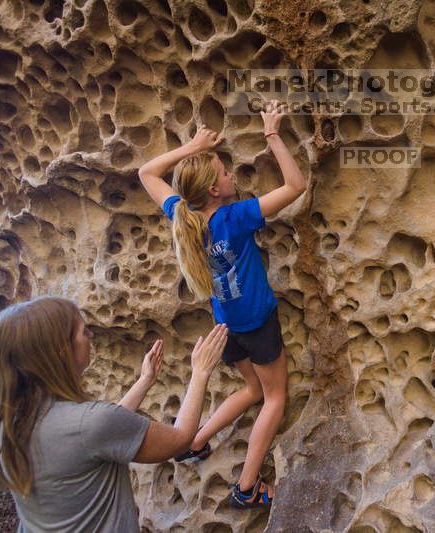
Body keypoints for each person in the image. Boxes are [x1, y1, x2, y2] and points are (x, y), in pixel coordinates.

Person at [137, 99, 306, 509]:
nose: (232, 176)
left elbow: (146, 172)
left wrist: (192, 150)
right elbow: (296, 187)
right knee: (273, 397)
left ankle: (192, 441)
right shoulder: (236, 217)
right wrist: (271, 134)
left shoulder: (184, 216)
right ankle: (247, 487)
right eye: (227, 173)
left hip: (225, 326)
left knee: (251, 388)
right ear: (216, 189)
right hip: (257, 325)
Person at [0, 296, 229, 532]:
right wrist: (201, 371)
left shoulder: (12, 424)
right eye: (83, 332)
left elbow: (98, 435)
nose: (90, 337)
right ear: (62, 352)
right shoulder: (89, 424)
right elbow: (180, 439)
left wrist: (144, 381)